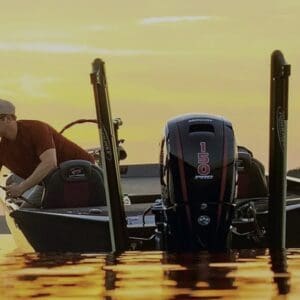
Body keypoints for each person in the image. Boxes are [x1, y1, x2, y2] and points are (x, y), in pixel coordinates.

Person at [0, 98, 95, 205]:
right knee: (25, 213)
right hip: (49, 184)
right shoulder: (2, 147)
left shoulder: (36, 129)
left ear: (7, 119)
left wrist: (21, 188)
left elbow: (50, 163)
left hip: (80, 177)